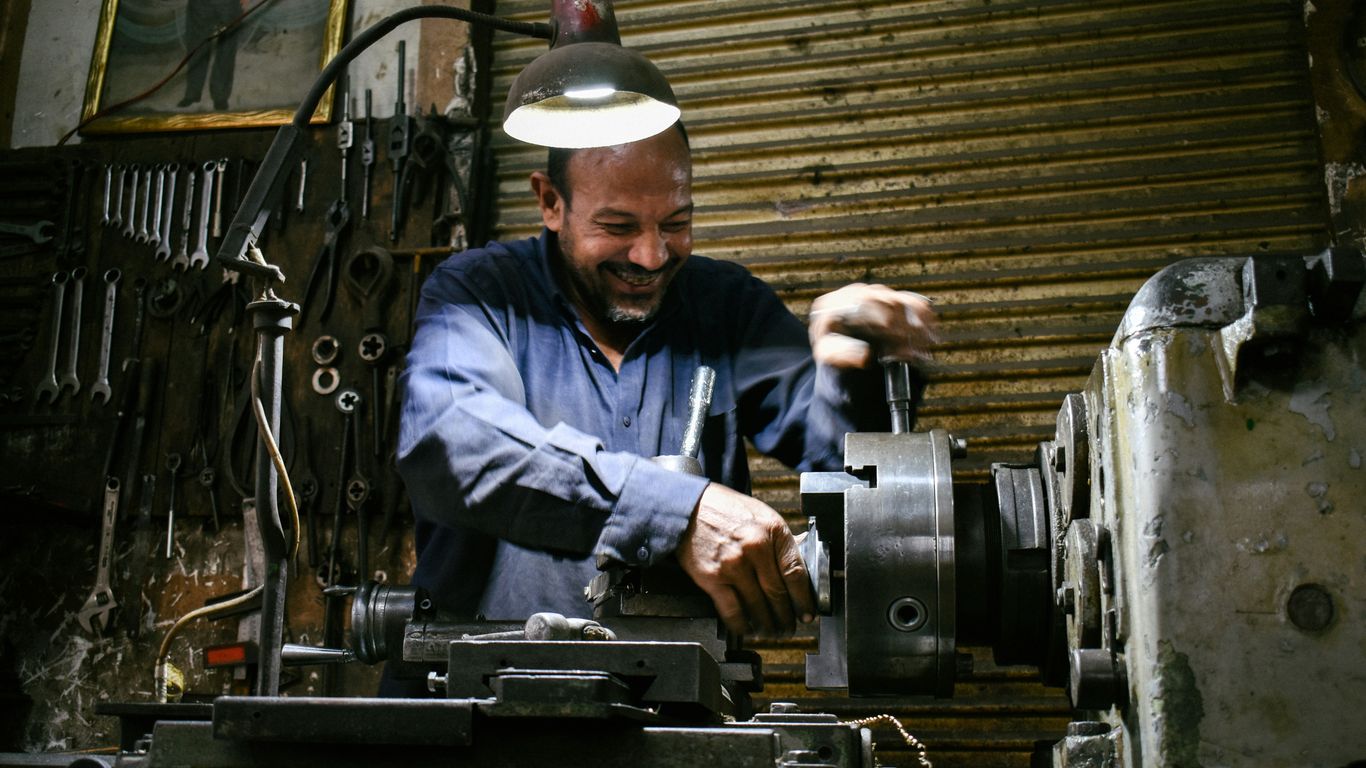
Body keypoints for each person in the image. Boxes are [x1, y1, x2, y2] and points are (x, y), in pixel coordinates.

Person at [395, 121, 935, 643]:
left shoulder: (727, 306)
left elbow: (836, 461)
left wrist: (861, 369)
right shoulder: (478, 294)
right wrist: (677, 511)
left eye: (676, 223)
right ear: (550, 203)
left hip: (678, 704)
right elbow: (453, 445)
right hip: (477, 701)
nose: (651, 256)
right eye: (618, 226)